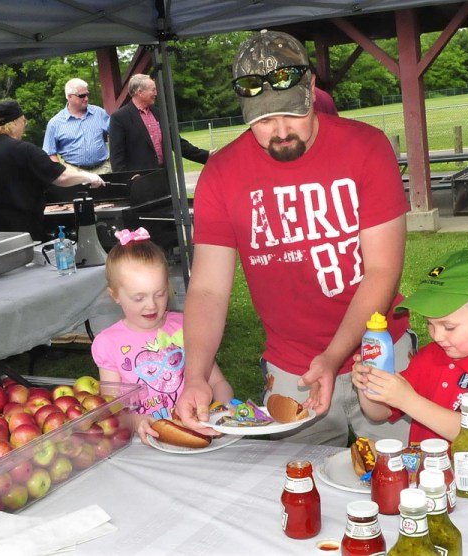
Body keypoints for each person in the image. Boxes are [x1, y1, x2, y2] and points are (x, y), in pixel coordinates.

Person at [174, 30, 413, 447]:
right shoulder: (221, 175)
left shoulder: (366, 148)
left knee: (409, 476)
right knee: (301, 488)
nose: (281, 131)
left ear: (312, 90)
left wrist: (335, 355)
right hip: (292, 370)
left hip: (379, 350)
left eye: (292, 113)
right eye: (263, 120)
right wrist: (196, 375)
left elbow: (382, 270)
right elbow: (209, 289)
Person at [352, 249, 468, 445]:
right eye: (430, 324)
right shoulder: (429, 356)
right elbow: (380, 412)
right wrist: (368, 385)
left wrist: (408, 400)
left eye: (448, 327)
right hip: (425, 473)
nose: (436, 335)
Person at [91, 227, 233, 444]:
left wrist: (221, 408)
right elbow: (112, 412)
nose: (151, 305)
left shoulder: (187, 327)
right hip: (143, 447)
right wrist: (136, 421)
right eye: (138, 298)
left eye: (159, 294)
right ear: (115, 295)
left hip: (197, 435)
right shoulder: (108, 344)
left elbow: (219, 384)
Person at [0, 99, 105, 241]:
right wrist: (88, 177)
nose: (24, 126)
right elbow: (61, 177)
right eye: (23, 121)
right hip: (21, 231)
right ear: (15, 122)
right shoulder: (25, 150)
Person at [109, 74, 210, 173]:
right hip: (139, 183)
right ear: (140, 92)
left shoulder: (158, 113)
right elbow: (117, 158)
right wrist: (128, 182)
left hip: (164, 177)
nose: (156, 93)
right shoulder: (119, 118)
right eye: (153, 90)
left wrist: (206, 156)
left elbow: (176, 142)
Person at [43, 78, 111, 174]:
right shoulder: (55, 123)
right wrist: (62, 173)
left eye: (87, 94)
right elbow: (50, 153)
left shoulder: (99, 113)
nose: (86, 98)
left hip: (103, 169)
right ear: (70, 96)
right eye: (82, 96)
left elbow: (117, 134)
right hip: (74, 172)